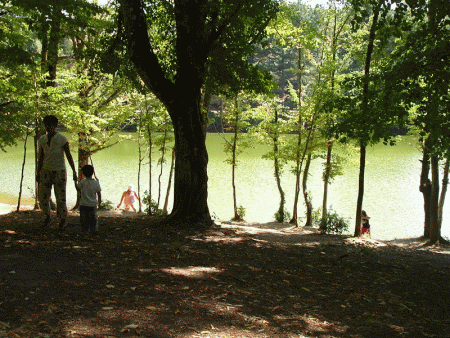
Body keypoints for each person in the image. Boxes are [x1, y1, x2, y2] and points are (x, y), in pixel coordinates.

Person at [36, 115, 77, 228]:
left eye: (51, 125)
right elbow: (41, 157)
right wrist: (38, 172)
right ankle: (47, 216)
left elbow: (68, 155)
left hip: (59, 171)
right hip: (45, 170)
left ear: (56, 126)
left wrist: (74, 170)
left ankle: (63, 219)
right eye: (47, 125)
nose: (49, 127)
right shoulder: (42, 139)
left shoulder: (62, 139)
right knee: (43, 197)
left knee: (60, 197)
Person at [76, 165, 102, 232]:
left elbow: (78, 189)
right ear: (93, 173)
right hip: (92, 204)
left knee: (84, 218)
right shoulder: (96, 183)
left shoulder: (82, 182)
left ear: (83, 173)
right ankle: (93, 230)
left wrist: (75, 182)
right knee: (93, 218)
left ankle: (84, 230)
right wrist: (99, 202)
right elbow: (99, 193)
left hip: (83, 204)